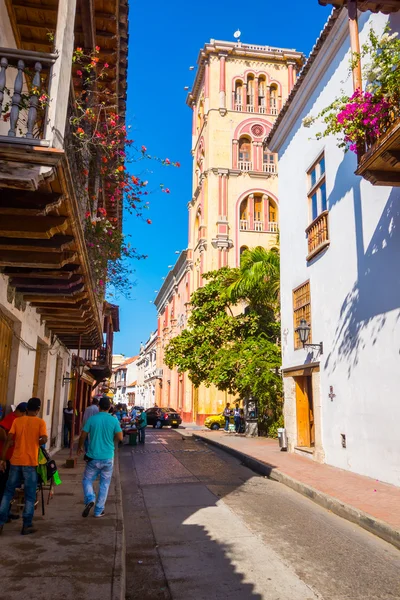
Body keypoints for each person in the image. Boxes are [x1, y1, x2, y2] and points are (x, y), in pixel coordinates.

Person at [0, 397, 47, 535]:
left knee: (8, 493)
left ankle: (0, 522)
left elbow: (9, 440)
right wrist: (39, 440)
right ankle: (26, 525)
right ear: (38, 410)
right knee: (30, 495)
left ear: (26, 409)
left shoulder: (17, 421)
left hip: (15, 461)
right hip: (30, 463)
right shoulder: (40, 422)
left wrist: (3, 459)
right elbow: (43, 439)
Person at [78, 396, 122, 518]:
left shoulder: (92, 420)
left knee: (87, 479)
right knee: (105, 484)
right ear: (109, 407)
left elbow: (82, 436)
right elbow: (120, 437)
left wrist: (80, 447)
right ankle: (98, 511)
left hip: (93, 457)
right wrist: (112, 441)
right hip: (108, 457)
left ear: (99, 407)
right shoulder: (113, 420)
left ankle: (90, 497)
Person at [0, 403, 28, 514]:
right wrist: (8, 440)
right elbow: (1, 428)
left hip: (12, 458)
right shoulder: (12, 418)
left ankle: (6, 512)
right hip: (6, 458)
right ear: (22, 412)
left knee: (8, 487)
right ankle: (4, 514)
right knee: (5, 487)